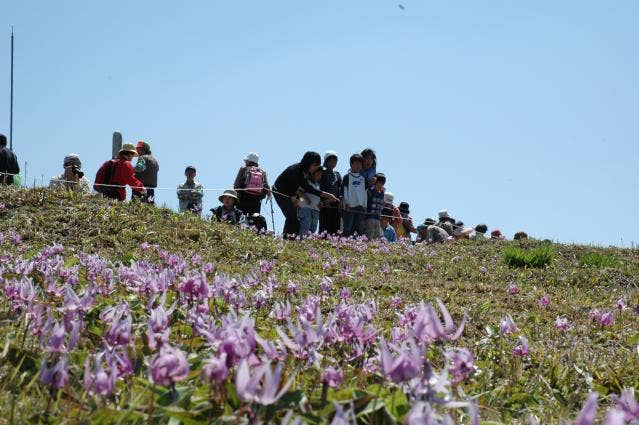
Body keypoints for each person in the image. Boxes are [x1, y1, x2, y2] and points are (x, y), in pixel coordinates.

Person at [272, 152, 338, 237]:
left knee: (295, 217)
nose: (315, 169)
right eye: (315, 166)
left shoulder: (305, 171)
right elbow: (306, 188)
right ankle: (286, 238)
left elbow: (302, 190)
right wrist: (326, 195)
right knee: (292, 217)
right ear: (309, 163)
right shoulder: (296, 170)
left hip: (292, 194)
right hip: (280, 192)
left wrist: (298, 199)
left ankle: (291, 238)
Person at [341, 154, 367, 237]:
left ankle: (357, 246)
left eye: (360, 163)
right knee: (348, 227)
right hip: (349, 207)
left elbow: (365, 193)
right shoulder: (346, 177)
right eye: (356, 163)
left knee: (359, 228)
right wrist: (346, 203)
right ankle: (345, 244)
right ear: (351, 164)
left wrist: (365, 205)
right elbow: (345, 191)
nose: (358, 165)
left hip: (360, 207)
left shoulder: (363, 179)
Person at [319, 151, 342, 235]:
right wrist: (321, 200)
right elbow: (319, 188)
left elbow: (341, 189)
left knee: (335, 228)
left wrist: (340, 200)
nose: (333, 162)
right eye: (331, 160)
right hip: (325, 204)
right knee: (324, 227)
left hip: (335, 205)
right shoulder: (322, 173)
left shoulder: (338, 175)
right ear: (326, 161)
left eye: (335, 160)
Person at [298, 167, 323, 238]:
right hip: (306, 208)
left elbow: (319, 196)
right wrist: (305, 199)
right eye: (318, 174)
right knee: (305, 225)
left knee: (313, 228)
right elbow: (299, 192)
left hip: (316, 209)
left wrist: (320, 202)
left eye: (320, 175)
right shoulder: (306, 183)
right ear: (312, 174)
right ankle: (302, 241)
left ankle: (309, 243)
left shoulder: (318, 185)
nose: (319, 176)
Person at [365, 173, 386, 241]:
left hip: (377, 218)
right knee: (369, 235)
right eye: (380, 183)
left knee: (377, 237)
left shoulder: (382, 193)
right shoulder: (370, 191)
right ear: (375, 183)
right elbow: (367, 188)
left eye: (383, 183)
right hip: (370, 217)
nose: (381, 185)